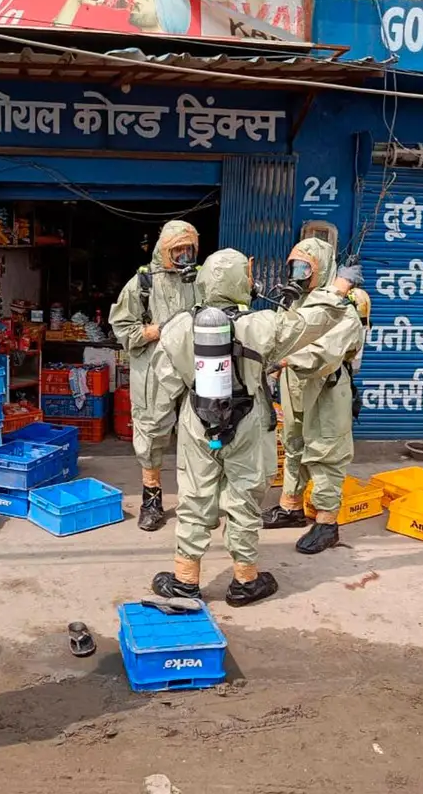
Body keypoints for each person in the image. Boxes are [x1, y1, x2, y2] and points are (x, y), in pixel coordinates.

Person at [146, 248, 364, 607]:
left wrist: (162, 431)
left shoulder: (178, 326)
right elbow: (314, 322)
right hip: (248, 421)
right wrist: (339, 285)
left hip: (197, 423)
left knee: (194, 498)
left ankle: (185, 581)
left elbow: (162, 389)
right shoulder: (261, 324)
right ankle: (245, 581)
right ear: (239, 280)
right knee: (244, 498)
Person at [261, 238, 369, 554]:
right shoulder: (300, 302)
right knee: (293, 444)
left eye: (305, 267)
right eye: (294, 265)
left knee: (325, 451)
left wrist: (283, 361)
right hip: (295, 385)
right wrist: (280, 368)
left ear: (320, 268)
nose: (298, 273)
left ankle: (326, 523)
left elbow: (326, 351)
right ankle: (291, 507)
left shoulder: (347, 304)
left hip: (327, 386)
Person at [109, 220, 202, 532]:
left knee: (200, 432)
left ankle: (197, 500)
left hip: (192, 369)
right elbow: (122, 327)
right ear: (164, 250)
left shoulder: (201, 281)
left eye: (189, 249)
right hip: (153, 371)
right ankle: (152, 499)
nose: (184, 256)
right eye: (177, 250)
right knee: (151, 432)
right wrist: (155, 331)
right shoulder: (142, 283)